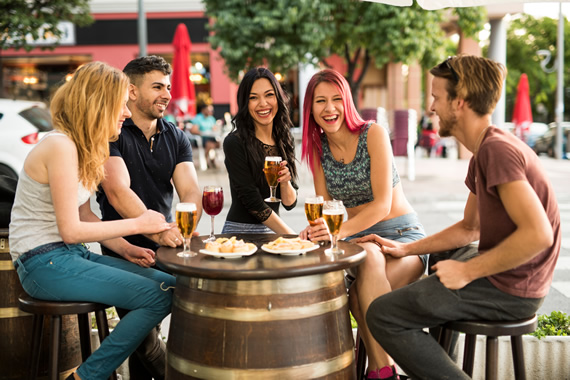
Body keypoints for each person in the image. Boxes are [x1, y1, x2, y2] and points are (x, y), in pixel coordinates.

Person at [361, 55, 561, 380]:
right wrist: (405, 249)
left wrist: (467, 271)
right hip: (511, 276)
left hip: (512, 288)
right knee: (440, 256)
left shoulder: (497, 151)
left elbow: (538, 234)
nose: (431, 108)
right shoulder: (485, 149)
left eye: (437, 97)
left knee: (383, 314)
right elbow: (471, 228)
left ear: (460, 102)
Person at [8, 62, 175, 380]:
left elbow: (84, 215)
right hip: (41, 263)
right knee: (159, 295)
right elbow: (71, 229)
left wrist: (126, 249)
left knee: (176, 287)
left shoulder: (84, 148)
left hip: (69, 256)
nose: (126, 114)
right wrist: (139, 224)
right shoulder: (60, 146)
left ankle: (166, 369)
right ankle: (87, 376)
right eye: (120, 105)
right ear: (99, 105)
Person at [298, 69, 427, 380]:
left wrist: (338, 232)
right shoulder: (318, 151)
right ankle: (385, 372)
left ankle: (380, 371)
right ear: (310, 109)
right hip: (361, 242)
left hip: (402, 239)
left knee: (357, 296)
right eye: (320, 101)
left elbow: (382, 205)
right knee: (366, 260)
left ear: (347, 101)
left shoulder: (374, 134)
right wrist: (317, 229)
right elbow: (329, 208)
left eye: (336, 99)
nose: (329, 109)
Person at [96, 55, 202, 380]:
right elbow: (117, 191)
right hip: (122, 247)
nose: (167, 94)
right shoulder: (112, 131)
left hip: (167, 247)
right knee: (143, 339)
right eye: (157, 86)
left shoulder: (176, 136)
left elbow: (192, 193)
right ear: (131, 91)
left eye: (168, 86)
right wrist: (159, 232)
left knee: (149, 332)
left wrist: (182, 231)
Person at [222, 67, 298, 234]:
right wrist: (292, 237)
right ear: (245, 103)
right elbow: (253, 203)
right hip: (239, 232)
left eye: (269, 95)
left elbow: (290, 203)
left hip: (274, 230)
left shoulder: (284, 140)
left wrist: (285, 182)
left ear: (278, 98)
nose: (263, 104)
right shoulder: (234, 142)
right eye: (253, 98)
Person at [191, 103, 221, 168]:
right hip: (201, 138)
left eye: (211, 110)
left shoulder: (211, 118)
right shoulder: (198, 118)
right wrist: (203, 133)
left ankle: (211, 159)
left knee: (218, 143)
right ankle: (207, 160)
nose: (211, 112)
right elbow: (193, 130)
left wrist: (215, 129)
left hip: (211, 136)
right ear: (203, 110)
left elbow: (215, 128)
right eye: (209, 110)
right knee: (210, 144)